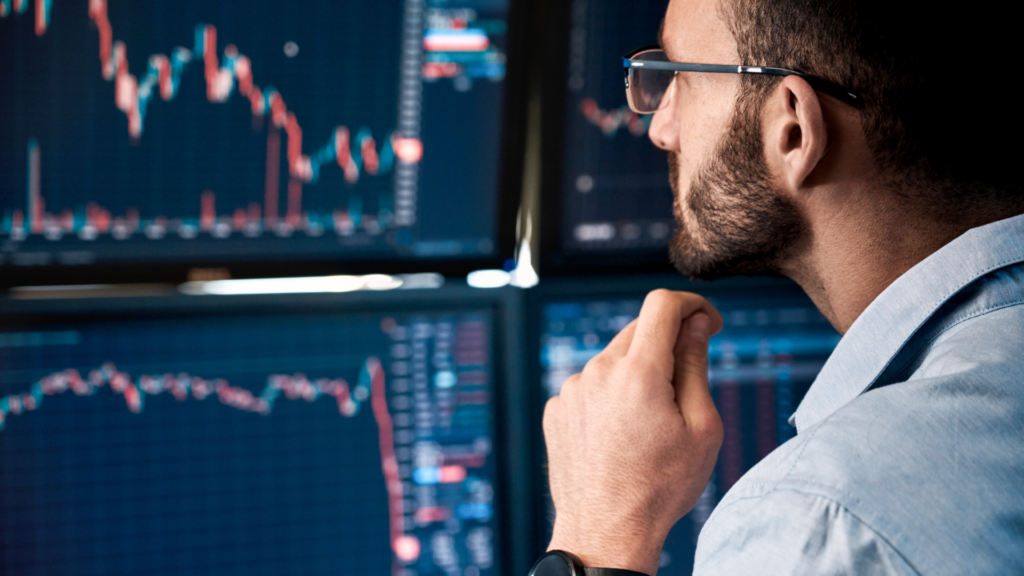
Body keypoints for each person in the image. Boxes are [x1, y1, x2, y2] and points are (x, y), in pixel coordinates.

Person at [535, 0, 1024, 574]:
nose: (660, 128)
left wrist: (598, 538)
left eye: (677, 77)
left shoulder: (816, 526)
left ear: (793, 129)